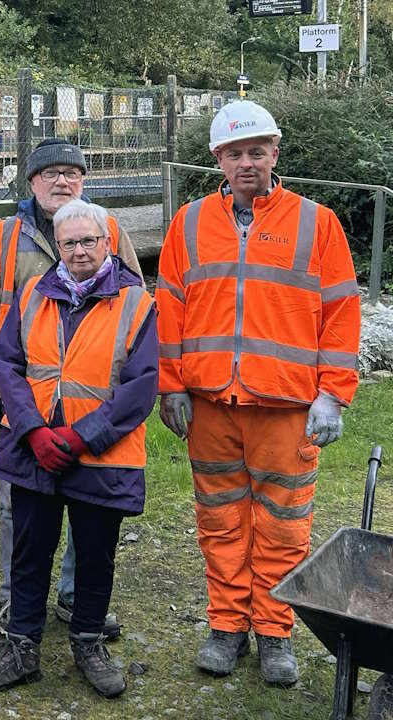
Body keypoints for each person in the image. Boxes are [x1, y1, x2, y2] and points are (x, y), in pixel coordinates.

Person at [156, 100, 361, 685]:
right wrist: (171, 386)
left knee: (283, 525)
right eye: (234, 153)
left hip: (286, 408)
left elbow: (342, 313)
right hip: (211, 405)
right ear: (218, 158)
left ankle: (274, 633)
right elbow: (169, 310)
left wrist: (333, 394)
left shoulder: (316, 223)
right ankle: (226, 627)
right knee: (220, 522)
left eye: (256, 151)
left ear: (274, 153)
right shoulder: (190, 223)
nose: (246, 162)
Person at [0, 199, 157, 698]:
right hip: (34, 450)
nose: (78, 251)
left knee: (95, 555)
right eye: (69, 242)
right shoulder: (33, 293)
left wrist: (78, 438)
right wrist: (33, 430)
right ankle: (21, 648)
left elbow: (140, 387)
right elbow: (7, 362)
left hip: (100, 454)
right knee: (30, 552)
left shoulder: (137, 302)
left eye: (88, 241)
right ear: (58, 245)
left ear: (107, 243)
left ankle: (89, 643)